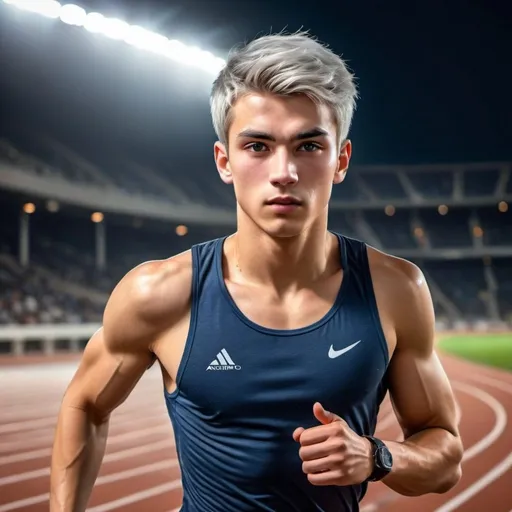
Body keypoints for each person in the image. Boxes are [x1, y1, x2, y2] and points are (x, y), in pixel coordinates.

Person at [49, 31, 464, 511]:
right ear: (224, 161)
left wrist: (378, 456)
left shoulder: (395, 290)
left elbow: (446, 456)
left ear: (341, 160)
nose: (284, 170)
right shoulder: (160, 293)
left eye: (308, 146)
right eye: (258, 146)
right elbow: (85, 405)